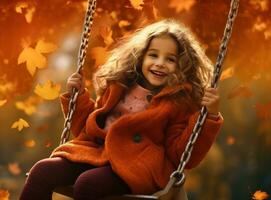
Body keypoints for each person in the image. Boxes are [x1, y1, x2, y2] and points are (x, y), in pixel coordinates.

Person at [20, 19, 223, 200]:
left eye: (170, 59)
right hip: (97, 153)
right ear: (141, 57)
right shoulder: (119, 86)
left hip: (135, 166)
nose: (160, 63)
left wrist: (209, 116)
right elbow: (86, 128)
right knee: (43, 171)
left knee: (87, 184)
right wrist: (79, 96)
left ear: (183, 65)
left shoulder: (178, 103)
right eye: (154, 55)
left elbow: (181, 154)